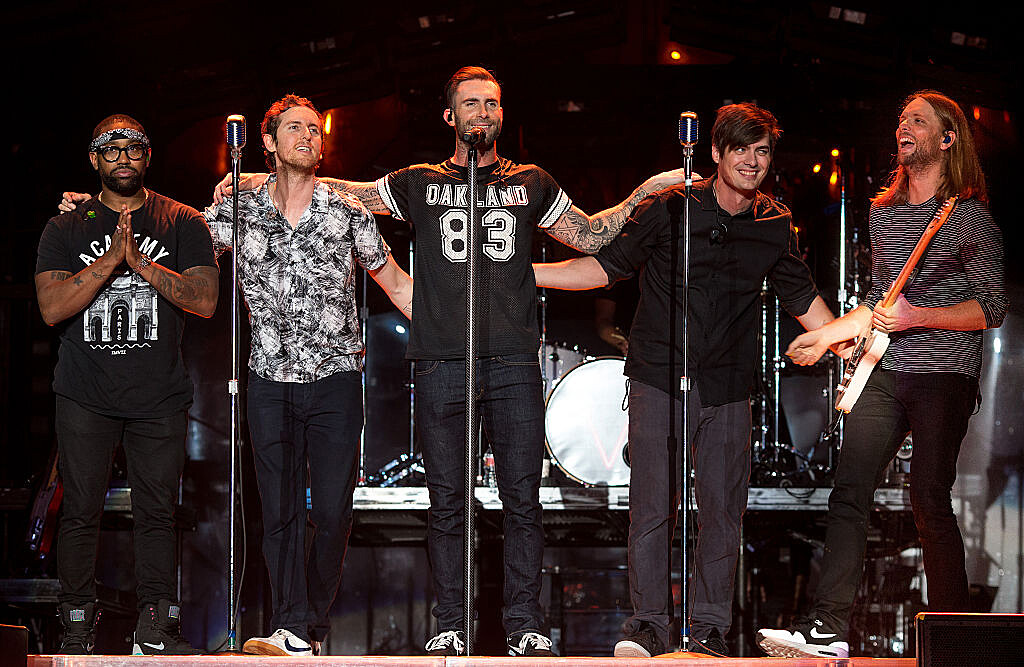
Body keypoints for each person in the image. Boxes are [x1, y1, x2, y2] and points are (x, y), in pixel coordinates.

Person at [215, 66, 683, 657]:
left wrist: (649, 189)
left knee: (522, 500)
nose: (482, 112)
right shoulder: (418, 181)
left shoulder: (532, 182)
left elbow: (591, 235)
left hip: (513, 360)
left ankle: (525, 626)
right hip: (441, 362)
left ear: (502, 114)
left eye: (492, 103)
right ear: (450, 115)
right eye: (470, 103)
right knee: (447, 504)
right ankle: (451, 626)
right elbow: (345, 192)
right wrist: (264, 176)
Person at [60, 96, 413, 657]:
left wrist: (453, 331)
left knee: (332, 511)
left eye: (313, 129)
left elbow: (395, 284)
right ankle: (291, 624)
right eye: (294, 128)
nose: (307, 136)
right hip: (268, 380)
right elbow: (171, 230)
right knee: (279, 511)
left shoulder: (347, 211)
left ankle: (309, 622)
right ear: (268, 142)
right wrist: (98, 211)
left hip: (337, 380)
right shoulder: (238, 211)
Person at [533, 103, 838, 657]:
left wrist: (855, 337)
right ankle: (648, 626)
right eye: (741, 149)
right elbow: (605, 268)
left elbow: (805, 302)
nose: (752, 161)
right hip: (659, 376)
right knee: (653, 507)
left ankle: (710, 630)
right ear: (715, 152)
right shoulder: (670, 208)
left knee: (722, 511)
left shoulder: (774, 224)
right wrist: (525, 274)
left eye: (762, 151)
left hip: (728, 386)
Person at [757, 90, 1005, 659]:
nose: (904, 126)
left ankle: (953, 636)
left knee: (928, 497)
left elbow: (993, 307)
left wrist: (922, 317)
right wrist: (827, 334)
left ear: (948, 139)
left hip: (945, 371)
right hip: (889, 369)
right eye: (901, 119)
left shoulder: (971, 217)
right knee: (849, 490)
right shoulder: (884, 213)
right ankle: (827, 628)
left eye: (918, 120)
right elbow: (879, 299)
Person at [36, 115, 219, 655]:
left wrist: (138, 262)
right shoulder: (65, 227)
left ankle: (156, 627)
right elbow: (51, 308)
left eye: (133, 148)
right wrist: (110, 261)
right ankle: (76, 626)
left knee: (157, 513)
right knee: (80, 510)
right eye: (110, 149)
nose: (123, 157)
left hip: (158, 395)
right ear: (94, 159)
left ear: (148, 157)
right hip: (84, 393)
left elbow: (205, 301)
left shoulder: (181, 220)